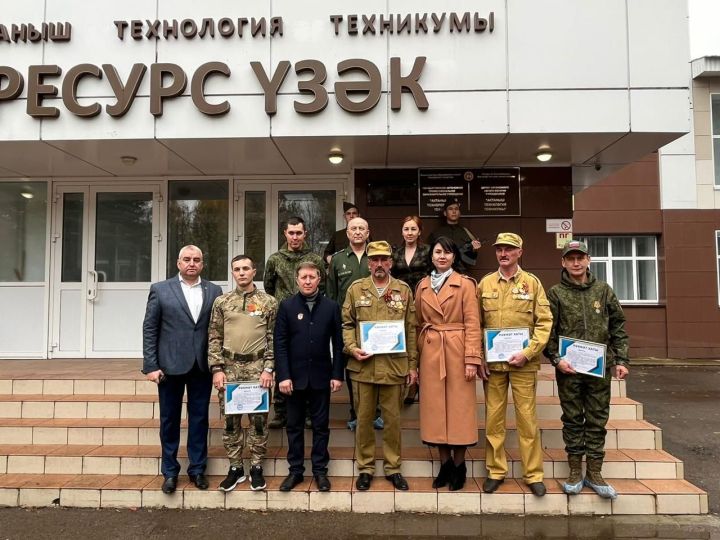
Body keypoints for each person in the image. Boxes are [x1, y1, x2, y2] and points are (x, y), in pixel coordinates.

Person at [545, 240, 630, 499]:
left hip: (599, 369)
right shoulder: (556, 293)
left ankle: (594, 472)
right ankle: (574, 471)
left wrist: (622, 360)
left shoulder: (603, 291)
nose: (576, 262)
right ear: (563, 262)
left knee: (596, 419)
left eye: (580, 257)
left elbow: (618, 326)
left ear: (588, 259)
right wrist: (557, 359)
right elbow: (549, 332)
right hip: (568, 369)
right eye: (570, 258)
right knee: (572, 419)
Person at [476, 232, 553, 497]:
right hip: (494, 366)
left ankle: (533, 474)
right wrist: (479, 357)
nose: (503, 253)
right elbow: (476, 325)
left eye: (509, 249)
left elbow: (544, 322)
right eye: (499, 249)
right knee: (494, 420)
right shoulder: (485, 284)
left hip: (523, 365)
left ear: (520, 252)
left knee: (527, 421)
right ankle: (496, 471)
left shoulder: (532, 283)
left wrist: (529, 353)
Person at [142, 245, 223, 494]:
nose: (192, 263)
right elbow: (150, 329)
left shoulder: (214, 290)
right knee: (170, 421)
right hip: (169, 366)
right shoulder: (161, 289)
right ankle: (170, 471)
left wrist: (218, 364)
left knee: (199, 419)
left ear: (202, 264)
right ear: (178, 263)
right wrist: (151, 365)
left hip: (201, 365)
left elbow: (216, 329)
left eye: (196, 260)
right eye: (187, 259)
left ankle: (197, 469)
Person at [342, 240, 418, 491]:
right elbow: (347, 325)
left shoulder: (403, 290)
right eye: (374, 260)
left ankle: (393, 468)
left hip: (394, 367)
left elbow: (410, 330)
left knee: (392, 422)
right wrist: (352, 348)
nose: (379, 264)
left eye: (384, 259)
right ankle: (365, 468)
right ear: (368, 263)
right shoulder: (356, 289)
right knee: (363, 421)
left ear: (391, 262)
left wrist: (412, 366)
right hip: (363, 368)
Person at [414, 237, 485, 491]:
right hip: (431, 351)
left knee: (459, 409)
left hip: (457, 350)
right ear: (431, 256)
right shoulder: (422, 286)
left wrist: (472, 359)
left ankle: (459, 464)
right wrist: (417, 359)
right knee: (435, 410)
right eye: (437, 252)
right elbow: (417, 324)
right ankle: (444, 464)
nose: (442, 256)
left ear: (454, 257)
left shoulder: (465, 284)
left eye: (447, 252)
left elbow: (473, 323)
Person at [209, 254, 277, 492]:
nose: (241, 273)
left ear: (254, 271)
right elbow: (214, 336)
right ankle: (236, 467)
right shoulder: (222, 302)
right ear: (232, 273)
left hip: (258, 369)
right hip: (229, 369)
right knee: (231, 422)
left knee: (258, 422)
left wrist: (269, 367)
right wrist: (216, 368)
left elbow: (273, 338)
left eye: (246, 268)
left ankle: (256, 467)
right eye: (236, 269)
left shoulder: (268, 302)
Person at [274, 261, 344, 492]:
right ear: (297, 280)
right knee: (293, 426)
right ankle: (295, 471)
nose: (307, 281)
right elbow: (280, 344)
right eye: (303, 277)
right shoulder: (286, 306)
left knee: (321, 426)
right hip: (293, 379)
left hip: (322, 377)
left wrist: (337, 374)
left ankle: (320, 471)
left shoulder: (332, 307)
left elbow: (338, 342)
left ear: (319, 279)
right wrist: (283, 376)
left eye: (312, 277)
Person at [264, 216, 325, 429]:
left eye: (299, 233)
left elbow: (322, 285)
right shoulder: (274, 259)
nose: (295, 237)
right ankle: (280, 411)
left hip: (309, 316)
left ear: (305, 234)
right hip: (284, 316)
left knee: (307, 360)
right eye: (291, 233)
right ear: (285, 234)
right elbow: (269, 287)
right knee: (283, 359)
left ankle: (308, 412)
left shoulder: (314, 259)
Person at [327, 217, 381, 431]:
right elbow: (331, 294)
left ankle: (376, 413)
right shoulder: (338, 260)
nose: (357, 232)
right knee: (352, 369)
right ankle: (356, 413)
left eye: (362, 228)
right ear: (347, 233)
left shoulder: (377, 258)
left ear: (368, 233)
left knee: (376, 367)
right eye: (353, 228)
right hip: (347, 324)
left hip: (375, 324)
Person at [392, 215, 431, 404]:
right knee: (407, 342)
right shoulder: (396, 252)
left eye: (413, 229)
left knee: (422, 343)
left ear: (419, 231)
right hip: (400, 302)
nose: (409, 233)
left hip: (423, 300)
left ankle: (425, 385)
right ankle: (410, 386)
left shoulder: (428, 251)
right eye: (406, 229)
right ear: (402, 231)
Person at [427, 198, 482, 274]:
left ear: (459, 213)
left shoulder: (465, 232)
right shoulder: (436, 233)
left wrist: (474, 249)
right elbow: (429, 255)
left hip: (461, 272)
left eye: (456, 209)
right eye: (450, 209)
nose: (454, 211)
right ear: (445, 213)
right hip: (441, 272)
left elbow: (470, 259)